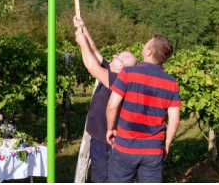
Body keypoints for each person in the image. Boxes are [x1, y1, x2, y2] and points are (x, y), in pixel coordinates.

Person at [105, 35, 181, 184]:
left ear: (149, 52)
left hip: (125, 148)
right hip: (153, 151)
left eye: (147, 43)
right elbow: (175, 120)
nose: (144, 44)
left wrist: (110, 128)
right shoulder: (171, 82)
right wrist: (166, 144)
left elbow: (112, 106)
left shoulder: (128, 74)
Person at [73, 15, 138, 182]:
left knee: (104, 179)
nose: (113, 56)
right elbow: (94, 50)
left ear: (121, 66)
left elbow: (91, 66)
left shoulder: (118, 80)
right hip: (100, 139)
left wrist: (81, 43)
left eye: (117, 56)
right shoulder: (112, 71)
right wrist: (83, 28)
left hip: (107, 143)